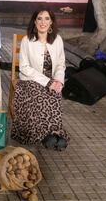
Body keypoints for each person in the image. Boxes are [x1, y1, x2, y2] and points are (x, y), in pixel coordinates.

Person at [10, 9, 69, 151]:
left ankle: (52, 133)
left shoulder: (57, 40)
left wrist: (58, 80)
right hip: (29, 79)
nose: (43, 22)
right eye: (39, 18)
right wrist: (47, 82)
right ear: (35, 22)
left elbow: (61, 63)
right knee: (41, 93)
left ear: (51, 22)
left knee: (54, 92)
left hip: (51, 79)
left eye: (47, 19)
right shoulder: (27, 41)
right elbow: (24, 67)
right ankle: (45, 134)